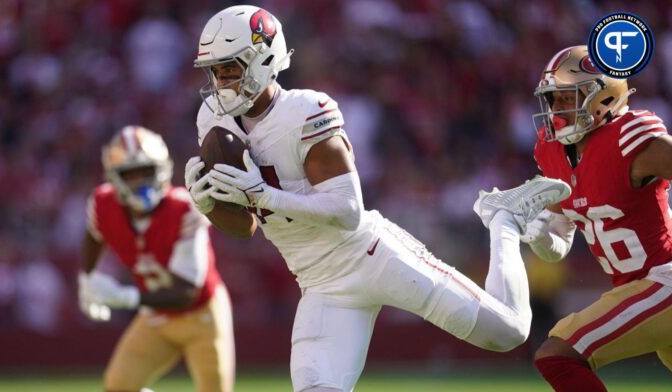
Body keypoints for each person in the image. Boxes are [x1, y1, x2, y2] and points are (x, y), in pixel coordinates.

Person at [184, 5, 571, 392]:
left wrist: (263, 195)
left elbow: (347, 212)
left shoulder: (304, 112)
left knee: (508, 331)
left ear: (264, 59)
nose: (221, 81)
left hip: (372, 255)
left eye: (230, 68)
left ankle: (503, 220)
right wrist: (208, 204)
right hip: (319, 282)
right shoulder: (212, 119)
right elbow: (246, 226)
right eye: (215, 71)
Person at [521, 45, 672, 392]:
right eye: (553, 99)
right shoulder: (552, 151)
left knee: (558, 354)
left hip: (664, 282)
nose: (558, 109)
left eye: (567, 97)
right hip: (639, 289)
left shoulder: (629, 139)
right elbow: (560, 236)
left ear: (604, 99)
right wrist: (540, 234)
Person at [78, 126, 235, 392]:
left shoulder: (184, 208)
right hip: (156, 316)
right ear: (115, 177)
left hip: (202, 314)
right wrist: (87, 279)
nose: (140, 181)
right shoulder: (103, 203)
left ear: (161, 169)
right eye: (130, 174)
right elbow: (94, 234)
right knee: (118, 387)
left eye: (146, 171)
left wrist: (125, 297)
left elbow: (186, 291)